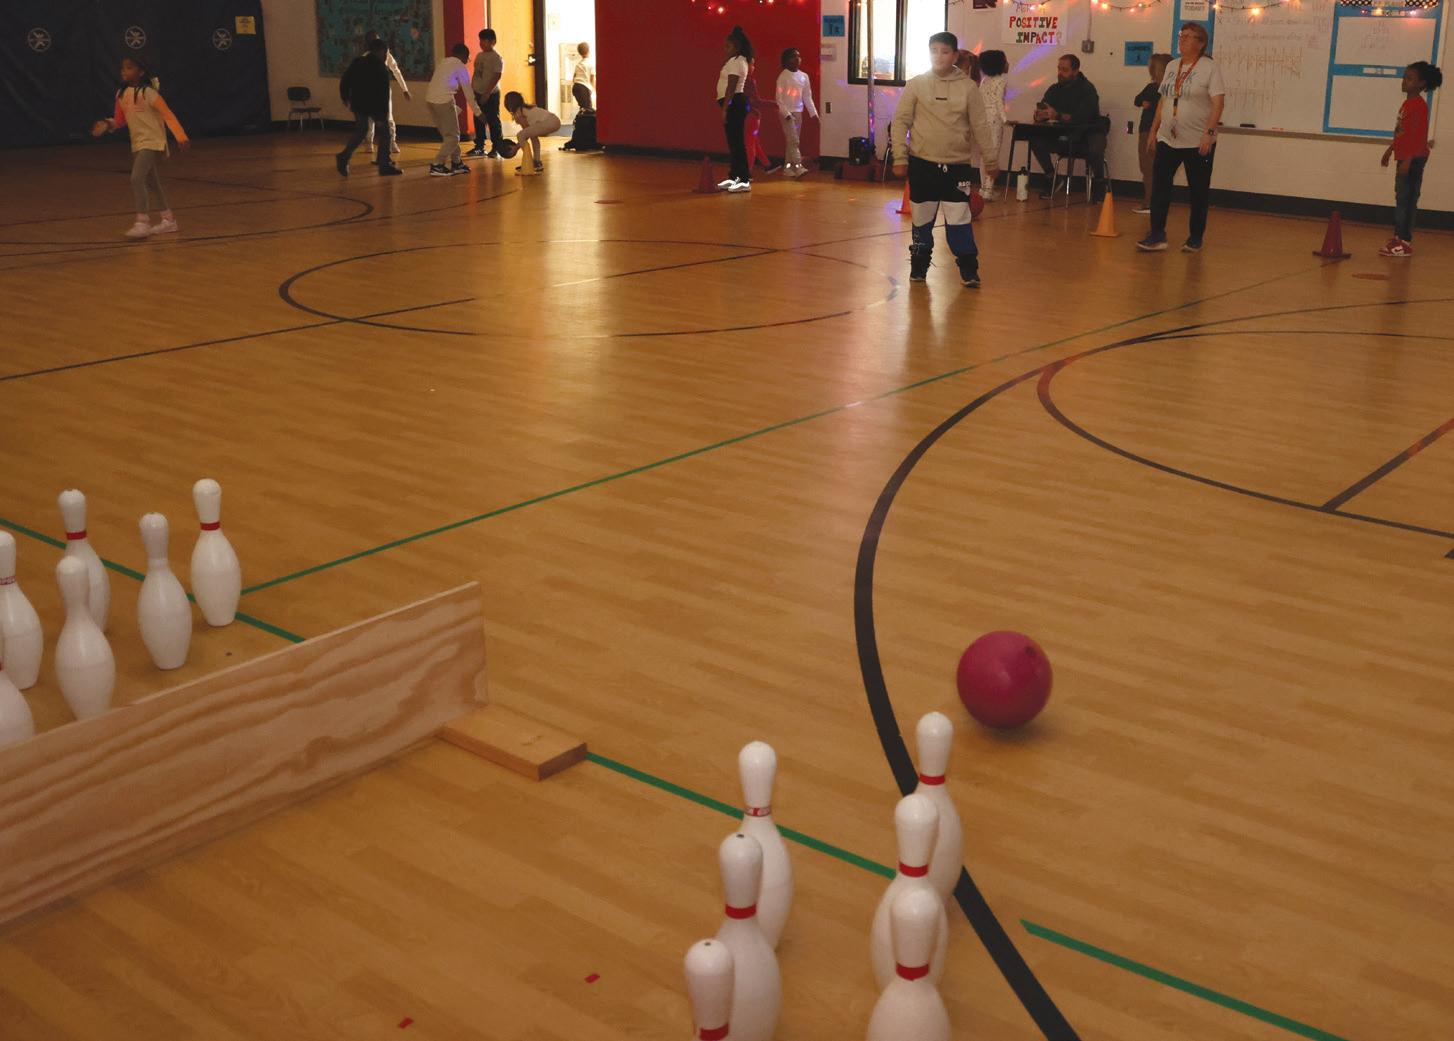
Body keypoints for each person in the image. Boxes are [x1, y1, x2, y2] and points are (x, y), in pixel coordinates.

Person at [890, 31, 1000, 288]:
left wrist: (991, 161)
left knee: (959, 219)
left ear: (955, 55)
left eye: (945, 52)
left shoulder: (968, 88)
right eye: (934, 51)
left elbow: (981, 126)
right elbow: (900, 121)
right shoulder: (916, 84)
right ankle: (919, 266)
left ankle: (969, 269)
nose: (939, 56)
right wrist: (899, 156)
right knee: (921, 220)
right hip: (922, 165)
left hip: (957, 167)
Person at [1138, 23, 1224, 252]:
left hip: (1197, 140)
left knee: (1198, 190)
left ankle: (1195, 236)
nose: (1182, 40)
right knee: (1160, 186)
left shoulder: (1209, 68)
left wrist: (1208, 134)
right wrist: (1154, 130)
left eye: (1188, 36)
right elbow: (1163, 100)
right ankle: (1157, 234)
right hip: (1168, 138)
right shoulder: (1172, 66)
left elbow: (1218, 103)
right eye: (1181, 35)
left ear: (1201, 43)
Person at [90, 55, 189, 238]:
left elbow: (167, 114)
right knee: (152, 183)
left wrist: (180, 136)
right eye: (123, 68)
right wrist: (107, 124)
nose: (124, 71)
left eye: (129, 68)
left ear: (141, 72)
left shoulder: (149, 93)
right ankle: (168, 220)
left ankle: (142, 222)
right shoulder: (121, 94)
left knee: (136, 178)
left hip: (153, 142)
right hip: (138, 143)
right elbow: (120, 120)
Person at [1379, 60, 1441, 258]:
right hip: (1405, 157)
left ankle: (1404, 241)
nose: (1404, 81)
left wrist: (1407, 160)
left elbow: (1418, 136)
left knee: (1406, 200)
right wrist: (1391, 150)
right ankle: (1399, 237)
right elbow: (1402, 132)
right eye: (1405, 77)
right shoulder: (1407, 104)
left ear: (1421, 84)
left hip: (1413, 160)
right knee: (1402, 198)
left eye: (1410, 78)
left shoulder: (1419, 106)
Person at [1030, 54, 1103, 200]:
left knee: (1096, 147)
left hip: (1087, 133)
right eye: (1059, 69)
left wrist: (1057, 115)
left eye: (1064, 70)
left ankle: (1100, 184)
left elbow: (1081, 118)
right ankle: (1052, 177)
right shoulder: (1054, 89)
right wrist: (1040, 115)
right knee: (1036, 139)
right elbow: (1045, 108)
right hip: (1063, 134)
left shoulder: (1087, 90)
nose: (1060, 73)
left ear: (1075, 71)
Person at [336, 38, 401, 177]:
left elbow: (345, 79)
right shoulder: (381, 68)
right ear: (381, 51)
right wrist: (382, 116)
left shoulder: (358, 62)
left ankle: (344, 156)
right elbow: (383, 94)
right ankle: (384, 165)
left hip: (358, 103)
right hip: (374, 105)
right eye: (386, 52)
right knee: (385, 133)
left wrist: (345, 96)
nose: (386, 56)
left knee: (361, 131)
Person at [426, 43, 482, 177]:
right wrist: (478, 112)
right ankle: (437, 165)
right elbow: (468, 93)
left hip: (430, 100)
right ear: (463, 55)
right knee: (453, 137)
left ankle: (457, 163)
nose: (467, 61)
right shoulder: (460, 66)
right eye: (467, 58)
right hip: (443, 101)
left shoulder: (443, 62)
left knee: (449, 135)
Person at [1132, 53, 1172, 214]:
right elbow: (1138, 100)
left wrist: (1144, 102)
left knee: (1148, 168)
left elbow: (1137, 99)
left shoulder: (1153, 88)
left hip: (1149, 130)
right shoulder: (1170, 90)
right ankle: (1158, 201)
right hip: (1165, 131)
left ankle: (1149, 202)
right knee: (1159, 169)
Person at [716, 26, 754, 193]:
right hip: (735, 103)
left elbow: (731, 86)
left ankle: (744, 179)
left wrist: (725, 108)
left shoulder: (737, 61)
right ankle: (734, 177)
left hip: (735, 103)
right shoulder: (737, 61)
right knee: (733, 142)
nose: (725, 49)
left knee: (737, 142)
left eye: (728, 46)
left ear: (737, 46)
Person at [364, 30, 411, 156]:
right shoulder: (365, 58)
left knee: (388, 117)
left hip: (384, 91)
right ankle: (369, 142)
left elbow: (396, 70)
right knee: (370, 118)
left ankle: (392, 141)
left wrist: (405, 89)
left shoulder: (386, 54)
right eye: (373, 40)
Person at [775, 47, 817, 179]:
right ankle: (798, 166)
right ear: (787, 60)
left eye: (798, 56)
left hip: (798, 112)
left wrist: (813, 113)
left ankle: (788, 168)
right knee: (794, 140)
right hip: (786, 114)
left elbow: (807, 97)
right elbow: (779, 99)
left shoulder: (804, 77)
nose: (797, 59)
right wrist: (786, 114)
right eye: (793, 56)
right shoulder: (783, 77)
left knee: (791, 141)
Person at [977, 50, 1010, 199]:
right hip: (995, 120)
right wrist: (1005, 119)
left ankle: (983, 188)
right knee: (993, 154)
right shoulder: (1001, 80)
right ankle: (988, 190)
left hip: (983, 120)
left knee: (983, 155)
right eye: (1005, 61)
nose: (1008, 63)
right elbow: (998, 101)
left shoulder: (984, 80)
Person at [504, 91, 562, 174]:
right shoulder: (526, 109)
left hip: (549, 121)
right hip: (555, 120)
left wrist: (515, 148)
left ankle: (529, 162)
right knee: (531, 137)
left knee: (520, 135)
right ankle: (536, 162)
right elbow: (528, 135)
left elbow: (523, 136)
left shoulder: (519, 113)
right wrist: (517, 147)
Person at [468, 28, 504, 158]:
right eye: (481, 40)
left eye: (485, 41)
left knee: (493, 120)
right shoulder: (479, 56)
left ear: (493, 42)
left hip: (491, 94)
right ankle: (479, 146)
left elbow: (497, 75)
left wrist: (487, 93)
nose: (481, 43)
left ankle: (497, 147)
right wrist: (473, 89)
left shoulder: (496, 57)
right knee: (478, 118)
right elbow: (476, 74)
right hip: (477, 92)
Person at [743, 59, 774, 174]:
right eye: (752, 64)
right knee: (750, 144)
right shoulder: (749, 81)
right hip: (752, 117)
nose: (753, 67)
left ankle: (767, 165)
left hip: (743, 117)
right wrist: (775, 104)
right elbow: (756, 101)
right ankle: (748, 172)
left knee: (753, 142)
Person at [572, 41, 595, 113]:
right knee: (588, 110)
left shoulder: (579, 64)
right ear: (589, 51)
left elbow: (574, 77)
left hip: (576, 87)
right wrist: (595, 90)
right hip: (584, 87)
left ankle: (580, 118)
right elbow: (592, 79)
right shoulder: (590, 63)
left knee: (583, 108)